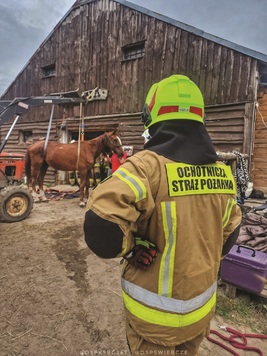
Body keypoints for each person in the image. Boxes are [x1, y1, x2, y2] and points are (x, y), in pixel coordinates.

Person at [83, 75, 242, 355]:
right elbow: (231, 234)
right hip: (201, 312)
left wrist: (132, 247)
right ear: (200, 118)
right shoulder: (223, 173)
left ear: (151, 117)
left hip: (152, 320)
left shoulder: (146, 168)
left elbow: (100, 226)